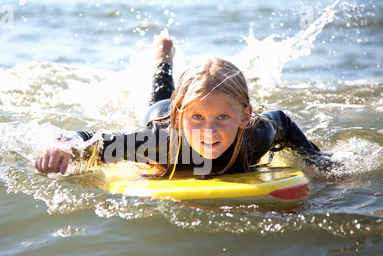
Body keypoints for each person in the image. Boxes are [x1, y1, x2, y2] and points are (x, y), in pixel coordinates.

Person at [35, 38, 332, 178]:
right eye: (199, 118)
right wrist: (63, 147)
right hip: (163, 115)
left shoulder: (257, 135)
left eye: (223, 117)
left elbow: (283, 120)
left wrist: (317, 159)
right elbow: (93, 139)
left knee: (181, 99)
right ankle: (163, 59)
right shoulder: (157, 143)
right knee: (159, 96)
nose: (209, 130)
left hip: (181, 111)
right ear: (182, 118)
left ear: (245, 116)